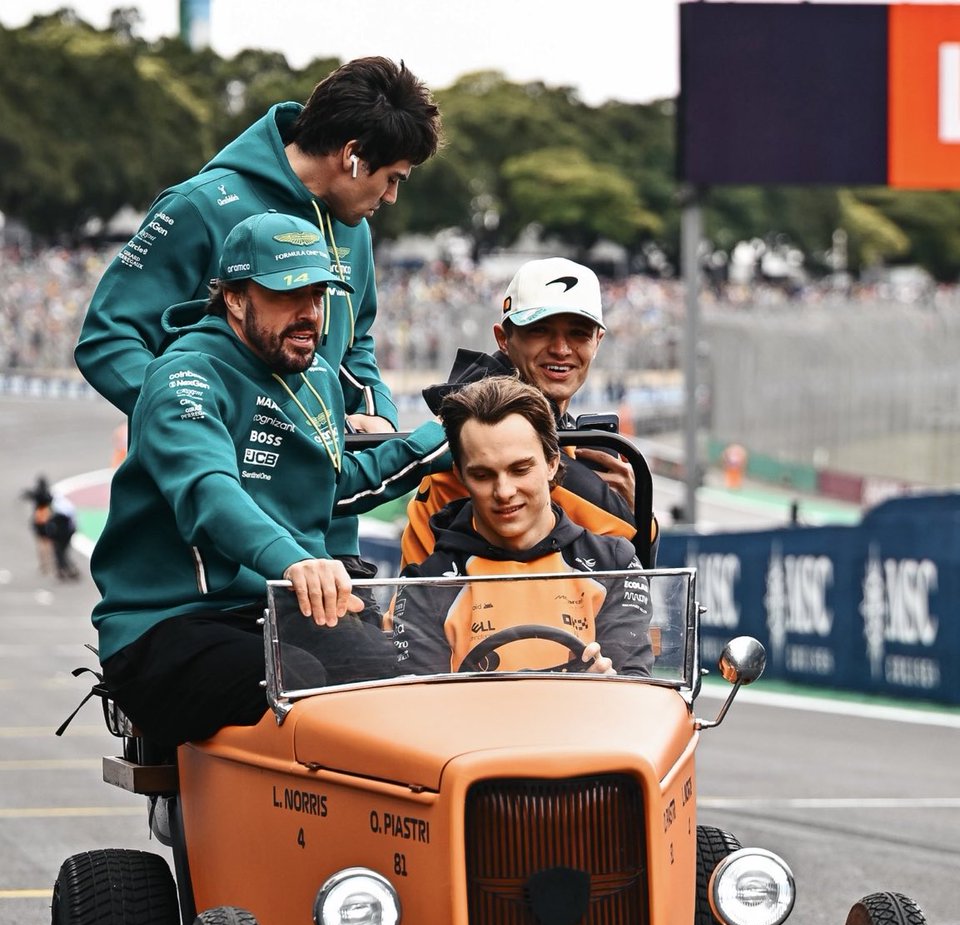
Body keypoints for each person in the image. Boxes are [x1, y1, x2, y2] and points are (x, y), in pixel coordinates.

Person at [91, 212, 449, 747]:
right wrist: (297, 560)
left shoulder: (318, 378)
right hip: (171, 626)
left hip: (274, 612)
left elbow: (333, 486)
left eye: (320, 295)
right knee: (319, 695)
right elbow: (210, 491)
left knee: (409, 678)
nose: (309, 315)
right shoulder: (183, 376)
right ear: (234, 298)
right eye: (288, 295)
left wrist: (439, 441)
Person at [76, 55, 442, 572]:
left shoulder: (354, 229)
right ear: (354, 155)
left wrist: (378, 412)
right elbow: (107, 340)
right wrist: (205, 421)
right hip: (209, 532)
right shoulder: (200, 206)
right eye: (391, 178)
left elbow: (355, 340)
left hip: (326, 528)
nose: (392, 196)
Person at [400, 257, 657, 569]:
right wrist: (639, 516)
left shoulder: (568, 436)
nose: (561, 349)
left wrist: (636, 506)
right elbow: (621, 532)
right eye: (540, 330)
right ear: (503, 339)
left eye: (579, 333)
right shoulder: (473, 431)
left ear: (598, 341)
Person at [393, 377, 652, 678]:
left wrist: (609, 685)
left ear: (552, 463)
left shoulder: (615, 563)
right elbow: (420, 711)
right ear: (460, 475)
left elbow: (636, 693)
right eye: (482, 474)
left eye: (520, 469)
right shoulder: (426, 584)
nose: (504, 491)